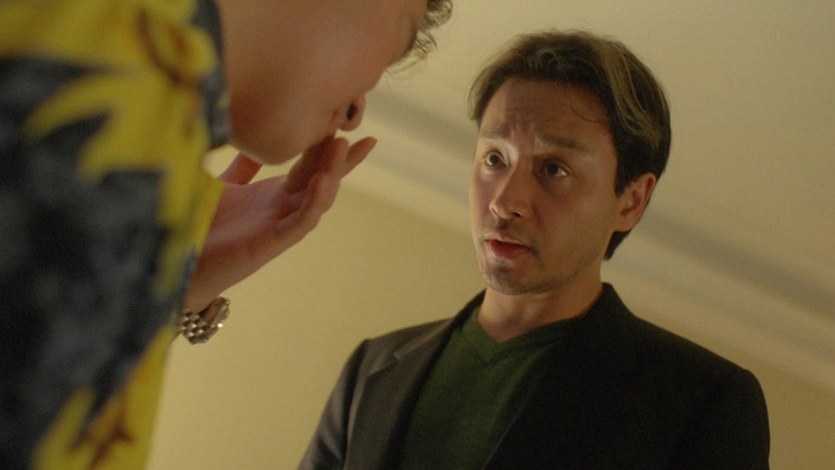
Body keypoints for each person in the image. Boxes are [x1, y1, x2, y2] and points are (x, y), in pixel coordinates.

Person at [0, 0, 452, 468]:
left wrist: (172, 284)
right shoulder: (111, 61)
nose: (357, 110)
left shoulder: (143, 103)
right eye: (398, 43)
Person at [299, 30, 770, 469]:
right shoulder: (373, 369)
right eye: (494, 159)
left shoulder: (700, 400)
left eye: (553, 169)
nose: (505, 201)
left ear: (631, 201)